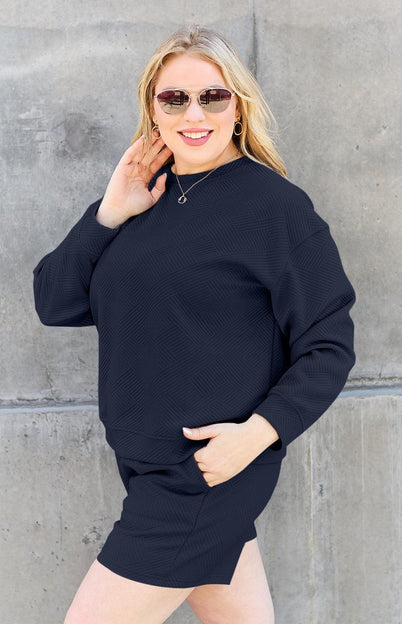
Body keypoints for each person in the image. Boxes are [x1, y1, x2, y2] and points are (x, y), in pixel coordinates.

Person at [32, 24, 356, 624]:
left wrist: (257, 435)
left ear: (239, 106)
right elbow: (55, 303)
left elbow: (329, 344)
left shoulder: (276, 208)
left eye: (213, 96)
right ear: (153, 110)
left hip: (203, 474)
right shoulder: (142, 198)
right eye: (175, 98)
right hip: (142, 464)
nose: (194, 113)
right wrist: (109, 213)